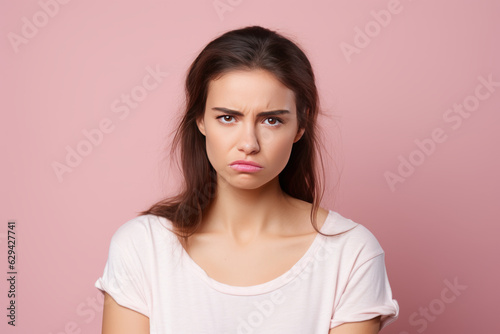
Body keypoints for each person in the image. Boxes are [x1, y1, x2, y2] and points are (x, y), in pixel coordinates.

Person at [95, 25, 399, 334]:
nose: (249, 143)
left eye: (271, 120)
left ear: (299, 126)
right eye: (228, 117)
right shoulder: (142, 247)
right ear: (200, 119)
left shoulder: (350, 253)